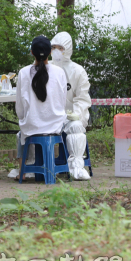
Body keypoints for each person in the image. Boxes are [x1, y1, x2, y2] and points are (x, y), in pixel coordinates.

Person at [12, 36, 67, 180]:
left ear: (31, 52)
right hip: (55, 126)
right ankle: (61, 167)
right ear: (50, 53)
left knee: (20, 135)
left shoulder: (23, 72)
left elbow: (19, 107)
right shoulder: (59, 72)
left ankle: (22, 172)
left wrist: (24, 118)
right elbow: (62, 102)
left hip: (32, 125)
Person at [51, 32, 92, 180]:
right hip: (52, 116)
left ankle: (77, 166)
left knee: (75, 127)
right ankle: (31, 166)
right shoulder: (47, 68)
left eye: (59, 47)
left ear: (67, 48)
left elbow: (82, 99)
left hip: (70, 115)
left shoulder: (78, 71)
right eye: (53, 47)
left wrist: (75, 113)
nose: (56, 50)